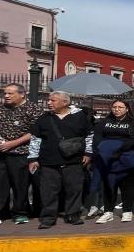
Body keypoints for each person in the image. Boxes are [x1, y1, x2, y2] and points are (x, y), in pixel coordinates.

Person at [0, 83, 44, 228]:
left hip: (21, 153)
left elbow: (35, 132)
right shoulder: (1, 109)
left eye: (10, 93)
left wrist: (13, 143)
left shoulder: (33, 109)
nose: (6, 96)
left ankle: (20, 213)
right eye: (5, 93)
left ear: (22, 94)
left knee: (20, 185)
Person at [28, 91, 93, 229]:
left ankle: (73, 215)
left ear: (65, 102)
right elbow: (35, 140)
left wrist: (88, 153)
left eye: (53, 100)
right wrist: (33, 158)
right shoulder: (43, 119)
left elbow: (89, 136)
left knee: (74, 189)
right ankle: (48, 218)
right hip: (49, 162)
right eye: (49, 100)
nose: (49, 102)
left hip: (74, 161)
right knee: (48, 191)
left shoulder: (80, 117)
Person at [92, 100, 134, 223]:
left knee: (127, 186)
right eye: (114, 107)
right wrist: (104, 149)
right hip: (107, 158)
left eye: (120, 107)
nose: (117, 109)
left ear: (127, 109)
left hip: (125, 157)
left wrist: (118, 148)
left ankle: (127, 211)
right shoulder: (104, 122)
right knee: (109, 186)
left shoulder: (133, 123)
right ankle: (108, 211)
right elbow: (98, 137)